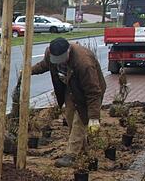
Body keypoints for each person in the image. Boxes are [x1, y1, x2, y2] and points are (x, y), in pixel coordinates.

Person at [31, 37, 106, 167]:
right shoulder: (50, 52)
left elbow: (93, 92)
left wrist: (94, 117)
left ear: (68, 51)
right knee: (71, 119)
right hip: (71, 89)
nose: (58, 61)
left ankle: (71, 155)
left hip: (89, 92)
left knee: (80, 121)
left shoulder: (84, 63)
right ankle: (82, 152)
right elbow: (45, 64)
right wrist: (30, 70)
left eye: (61, 58)